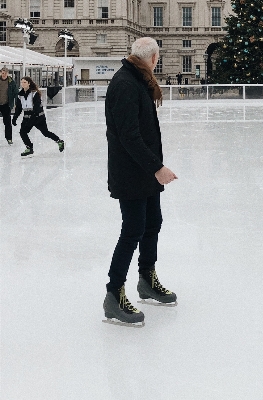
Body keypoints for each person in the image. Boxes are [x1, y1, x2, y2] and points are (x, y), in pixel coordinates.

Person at [103, 37, 178, 327]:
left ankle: (147, 279)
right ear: (154, 59)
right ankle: (113, 293)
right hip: (131, 171)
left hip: (143, 170)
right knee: (133, 229)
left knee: (152, 223)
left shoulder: (137, 79)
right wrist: (157, 167)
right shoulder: (125, 84)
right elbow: (128, 135)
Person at [12, 77, 64, 156]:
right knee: (22, 132)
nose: (23, 84)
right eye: (21, 82)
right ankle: (29, 147)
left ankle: (59, 141)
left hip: (38, 117)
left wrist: (31, 120)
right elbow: (19, 108)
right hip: (27, 116)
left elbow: (37, 108)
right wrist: (15, 117)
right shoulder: (20, 95)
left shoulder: (35, 93)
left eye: (24, 82)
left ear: (29, 83)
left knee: (45, 133)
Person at [0, 66, 18, 145]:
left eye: (5, 73)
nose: (4, 75)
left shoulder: (11, 82)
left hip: (6, 104)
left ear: (8, 73)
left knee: (7, 122)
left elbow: (16, 93)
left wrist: (17, 103)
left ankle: (9, 138)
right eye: (3, 73)